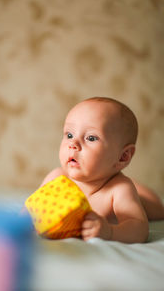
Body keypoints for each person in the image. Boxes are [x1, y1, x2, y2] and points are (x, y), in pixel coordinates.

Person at [39, 97, 164, 243]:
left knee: (158, 211)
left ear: (123, 157)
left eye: (91, 138)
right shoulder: (57, 178)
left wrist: (110, 232)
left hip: (146, 201)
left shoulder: (119, 189)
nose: (73, 144)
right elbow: (30, 212)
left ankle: (139, 194)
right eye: (69, 135)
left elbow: (140, 230)